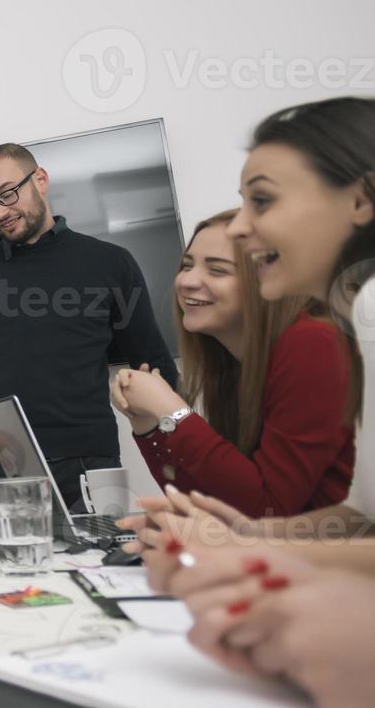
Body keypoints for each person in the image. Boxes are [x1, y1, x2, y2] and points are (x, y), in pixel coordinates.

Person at [127, 97, 375, 708]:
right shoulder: (337, 327)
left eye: (260, 201)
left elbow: (267, 498)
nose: (241, 227)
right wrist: (244, 534)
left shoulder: (325, 335)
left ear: (362, 200)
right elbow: (357, 517)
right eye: (188, 266)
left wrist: (174, 421)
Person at [0, 142, 178, 527]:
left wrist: (176, 439)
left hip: (88, 461)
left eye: (8, 194)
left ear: (40, 180)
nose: (0, 212)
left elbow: (152, 361)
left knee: (100, 568)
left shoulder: (110, 263)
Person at [110, 209, 353, 517]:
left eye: (217, 270)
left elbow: (267, 509)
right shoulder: (234, 368)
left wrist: (172, 409)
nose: (186, 281)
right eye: (187, 265)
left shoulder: (314, 344)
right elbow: (210, 507)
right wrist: (147, 425)